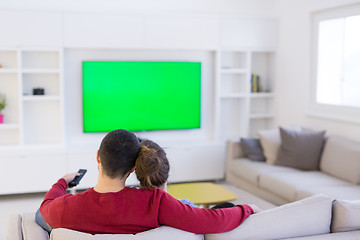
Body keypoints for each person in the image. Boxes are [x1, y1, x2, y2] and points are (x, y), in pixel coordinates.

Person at [38, 129, 260, 235]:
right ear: (134, 167)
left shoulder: (65, 208)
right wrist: (247, 208)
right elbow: (211, 220)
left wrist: (62, 183)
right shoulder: (154, 202)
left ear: (98, 157)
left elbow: (44, 208)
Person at [135, 139, 236, 208]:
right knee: (229, 206)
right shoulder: (186, 207)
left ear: (136, 171)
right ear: (168, 166)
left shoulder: (129, 210)